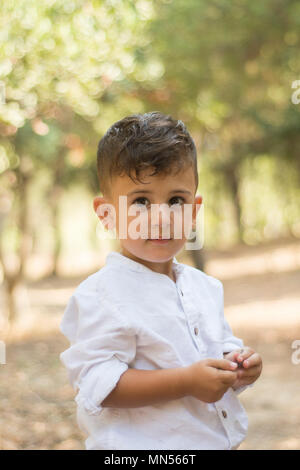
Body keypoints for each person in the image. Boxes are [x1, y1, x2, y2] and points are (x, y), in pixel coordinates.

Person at [59, 111, 262, 450]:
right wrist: (185, 382)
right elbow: (98, 385)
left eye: (176, 201)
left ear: (194, 211)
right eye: (141, 201)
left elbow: (213, 350)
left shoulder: (204, 287)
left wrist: (238, 364)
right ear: (107, 214)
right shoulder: (101, 295)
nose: (162, 216)